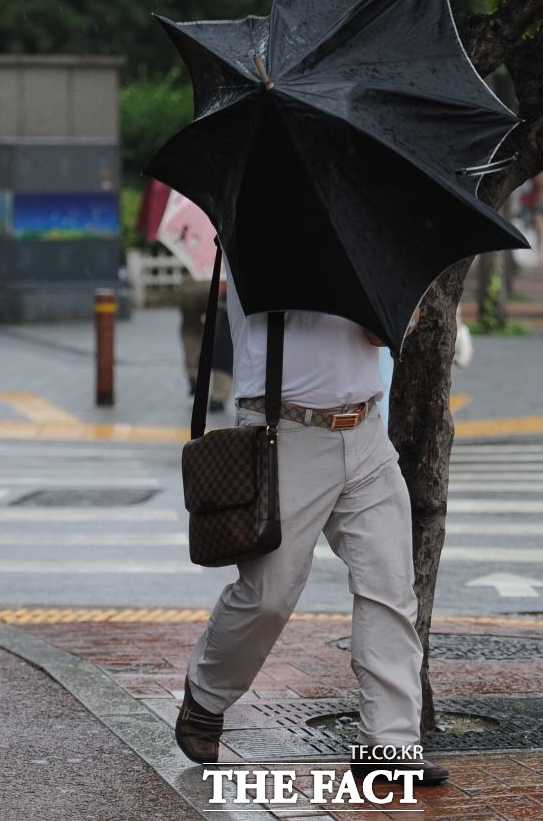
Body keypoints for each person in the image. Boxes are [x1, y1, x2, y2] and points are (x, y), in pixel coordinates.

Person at [175, 265, 449, 786]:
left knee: (390, 588)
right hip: (284, 433)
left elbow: (384, 333)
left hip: (365, 430)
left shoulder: (358, 239)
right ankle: (206, 695)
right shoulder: (257, 237)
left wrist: (393, 307)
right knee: (270, 594)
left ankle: (389, 746)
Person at [178, 275, 232, 409]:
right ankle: (218, 397)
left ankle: (193, 373)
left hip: (190, 286)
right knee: (222, 337)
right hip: (216, 284)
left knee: (190, 328)